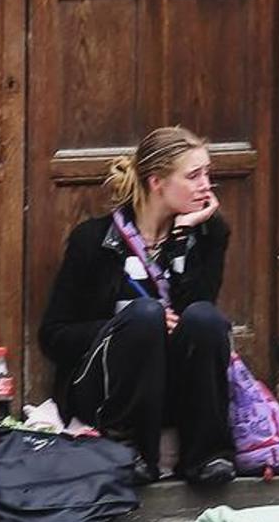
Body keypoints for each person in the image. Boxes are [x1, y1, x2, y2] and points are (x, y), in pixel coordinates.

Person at [39, 126, 236, 486]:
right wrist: (124, 327)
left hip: (173, 389)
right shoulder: (94, 241)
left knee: (206, 320)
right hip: (108, 392)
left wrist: (181, 238)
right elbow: (53, 336)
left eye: (207, 173)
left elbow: (196, 312)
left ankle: (207, 456)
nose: (206, 185)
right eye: (193, 176)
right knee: (145, 315)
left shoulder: (208, 235)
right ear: (157, 181)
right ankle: (130, 452)